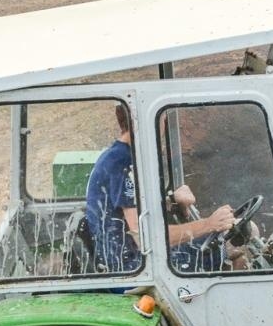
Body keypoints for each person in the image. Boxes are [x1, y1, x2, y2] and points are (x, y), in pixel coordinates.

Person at [85, 103, 234, 273]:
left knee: (235, 239)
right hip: (132, 265)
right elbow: (144, 237)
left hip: (129, 257)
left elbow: (135, 211)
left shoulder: (119, 154)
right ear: (144, 122)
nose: (163, 124)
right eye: (161, 118)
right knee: (234, 240)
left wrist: (170, 200)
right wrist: (208, 224)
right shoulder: (122, 162)